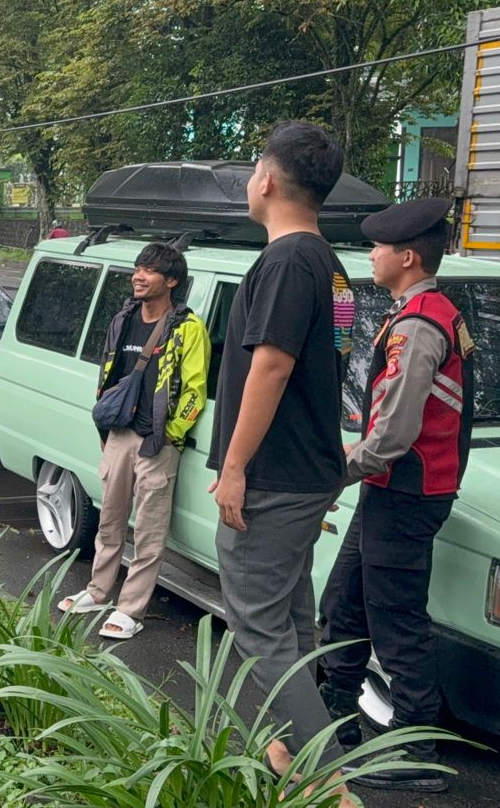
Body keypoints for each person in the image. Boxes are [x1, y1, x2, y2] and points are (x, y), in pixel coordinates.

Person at [207, 121, 356, 778]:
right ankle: (285, 754)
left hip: (275, 475)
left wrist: (235, 466)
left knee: (258, 627)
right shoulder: (336, 267)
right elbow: (341, 356)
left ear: (266, 181)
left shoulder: (287, 261)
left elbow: (271, 366)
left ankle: (330, 784)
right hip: (312, 469)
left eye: (251, 171)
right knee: (291, 620)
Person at [319, 198, 474, 793]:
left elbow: (393, 430)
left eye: (378, 248)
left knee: (396, 618)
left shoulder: (417, 325)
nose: (371, 255)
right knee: (345, 602)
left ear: (407, 257)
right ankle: (336, 721)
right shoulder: (423, 311)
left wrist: (337, 472)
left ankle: (416, 748)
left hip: (407, 491)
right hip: (394, 489)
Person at [57, 243, 209, 639]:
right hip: (119, 435)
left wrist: (171, 435)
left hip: (155, 442)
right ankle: (98, 590)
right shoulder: (123, 318)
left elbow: (195, 389)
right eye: (137, 268)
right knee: (109, 521)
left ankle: (131, 609)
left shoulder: (187, 328)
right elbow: (109, 372)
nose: (138, 276)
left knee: (148, 531)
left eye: (150, 271)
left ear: (171, 280)